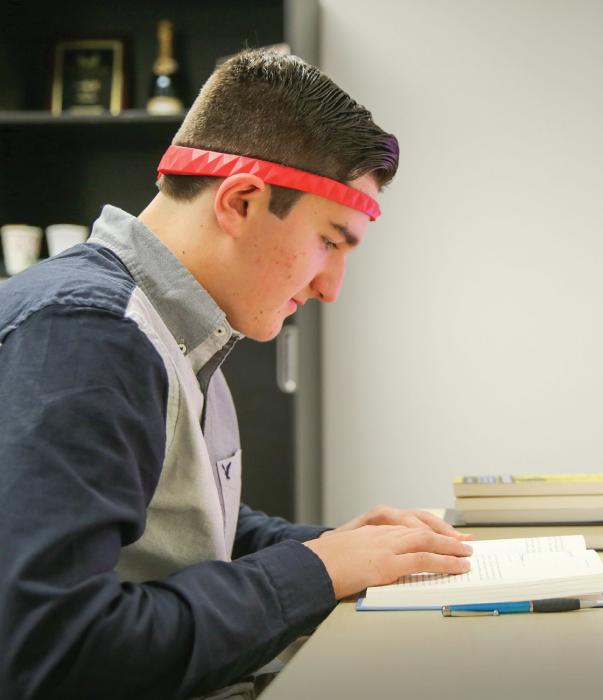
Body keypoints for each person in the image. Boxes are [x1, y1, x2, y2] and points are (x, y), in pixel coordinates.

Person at [0, 49, 472, 700]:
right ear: (243, 201)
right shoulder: (91, 331)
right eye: (331, 242)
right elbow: (57, 652)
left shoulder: (171, 329)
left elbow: (176, 528)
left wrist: (345, 547)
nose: (332, 287)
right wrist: (313, 570)